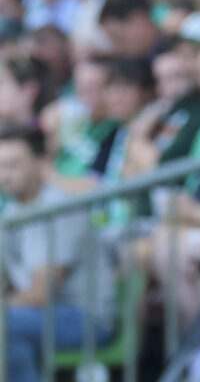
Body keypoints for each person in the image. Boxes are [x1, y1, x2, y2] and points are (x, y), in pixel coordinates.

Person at [0, 124, 115, 382]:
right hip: (39, 317)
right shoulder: (11, 212)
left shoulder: (59, 207)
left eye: (13, 165)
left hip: (86, 318)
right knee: (10, 339)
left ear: (40, 164)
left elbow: (43, 293)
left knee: (3, 325)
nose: (4, 174)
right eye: (1, 165)